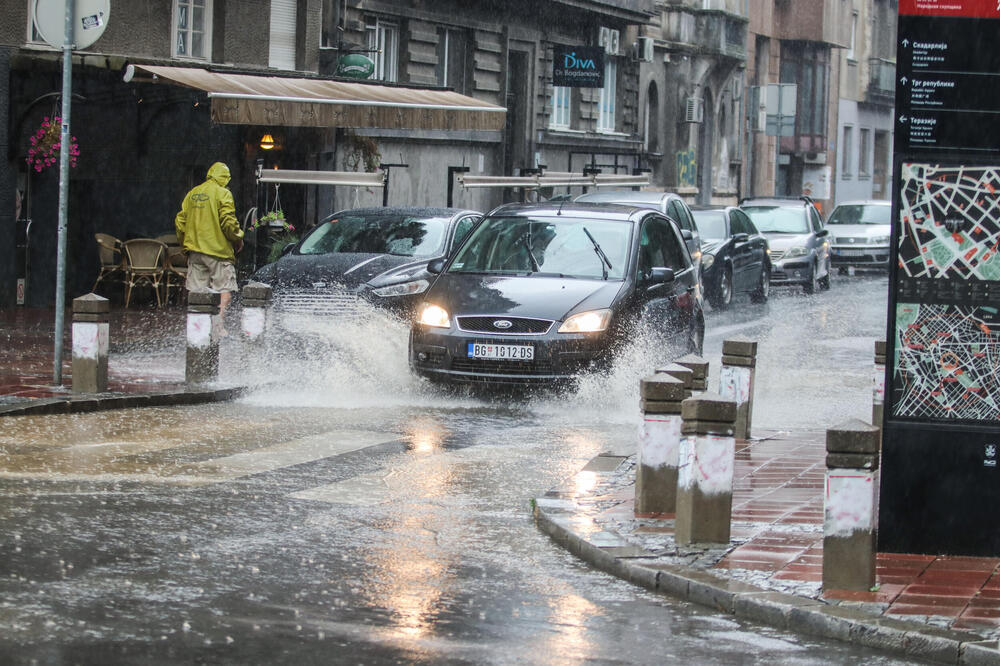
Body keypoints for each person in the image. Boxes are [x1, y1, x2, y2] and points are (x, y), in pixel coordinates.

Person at [175, 162, 244, 327]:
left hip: (195, 252)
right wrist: (237, 238)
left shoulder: (192, 193)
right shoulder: (223, 193)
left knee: (197, 293)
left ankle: (198, 329)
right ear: (225, 178)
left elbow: (180, 222)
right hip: (218, 252)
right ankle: (217, 325)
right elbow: (228, 222)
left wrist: (185, 245)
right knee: (224, 288)